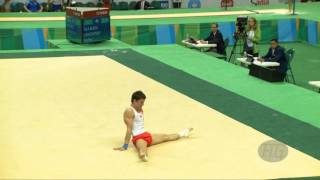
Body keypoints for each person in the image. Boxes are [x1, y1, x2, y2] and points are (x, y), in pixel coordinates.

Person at [113, 91, 193, 162]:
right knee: (142, 149)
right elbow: (129, 129)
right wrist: (125, 146)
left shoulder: (139, 108)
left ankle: (183, 133)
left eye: (143, 102)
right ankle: (143, 155)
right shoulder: (129, 111)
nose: (143, 104)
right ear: (134, 101)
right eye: (141, 102)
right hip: (138, 138)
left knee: (166, 137)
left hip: (146, 134)